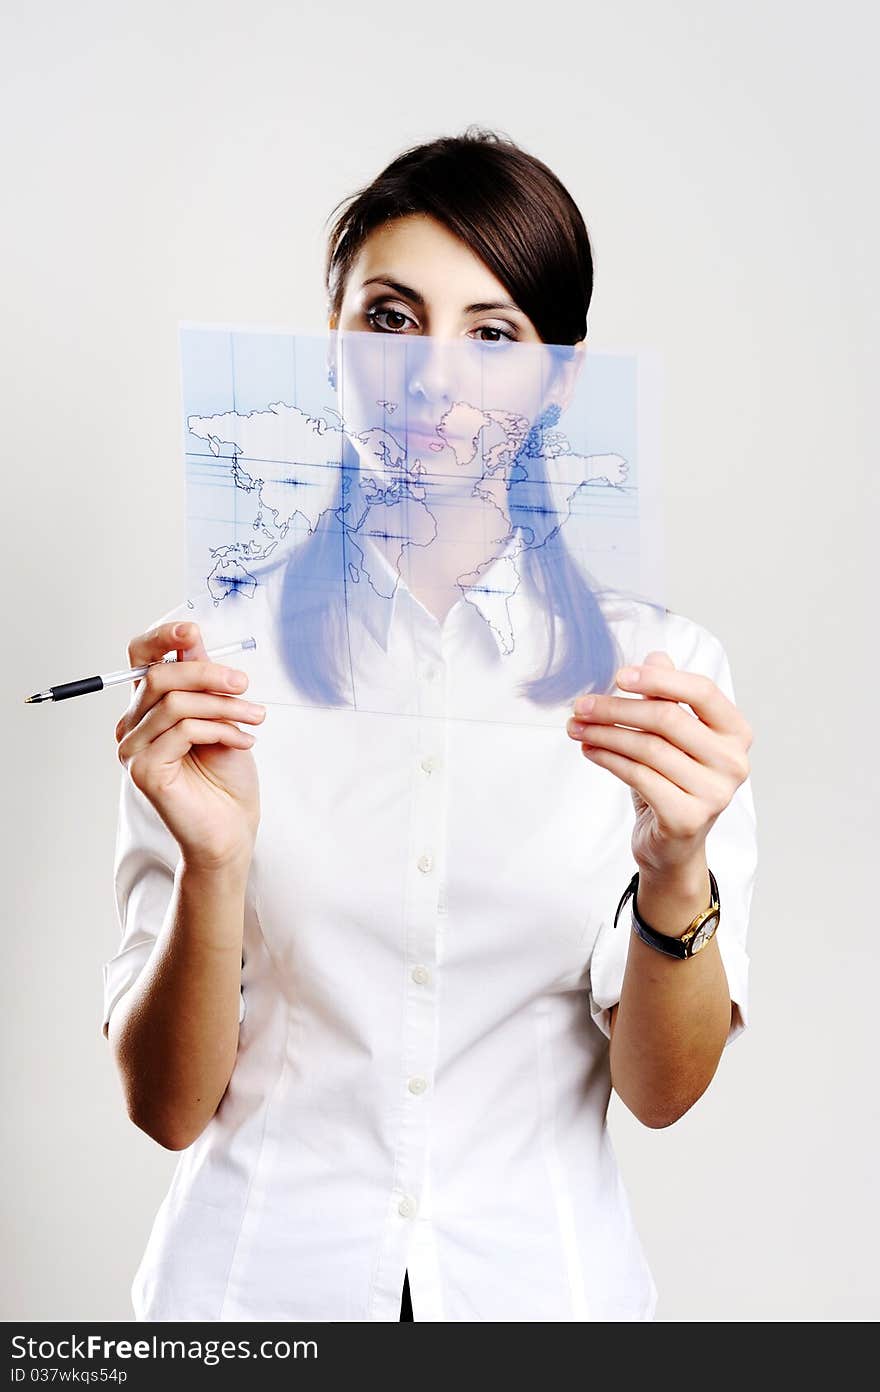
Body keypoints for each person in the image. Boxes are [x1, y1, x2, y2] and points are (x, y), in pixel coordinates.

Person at [102, 127, 757, 1322]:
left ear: (561, 378)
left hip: (542, 1295)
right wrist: (215, 862)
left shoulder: (664, 683)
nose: (434, 379)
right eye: (391, 319)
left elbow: (660, 1095)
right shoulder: (214, 667)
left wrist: (676, 871)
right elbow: (164, 1110)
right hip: (253, 1298)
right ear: (336, 347)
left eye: (493, 333)